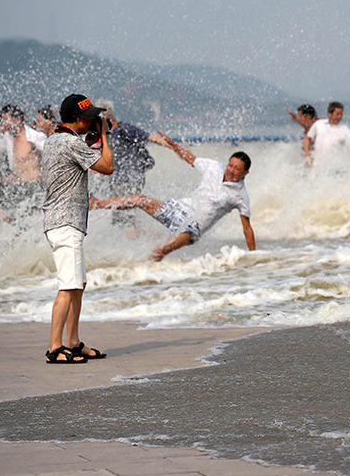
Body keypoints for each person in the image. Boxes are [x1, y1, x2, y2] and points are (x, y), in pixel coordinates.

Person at [89, 132, 256, 262]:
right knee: (140, 199)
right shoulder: (213, 167)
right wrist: (175, 146)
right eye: (231, 165)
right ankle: (97, 204)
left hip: (192, 228)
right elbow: (190, 158)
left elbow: (247, 228)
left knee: (160, 250)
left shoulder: (240, 196)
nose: (231, 170)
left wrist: (254, 256)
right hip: (179, 210)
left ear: (245, 173)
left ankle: (140, 276)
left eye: (237, 169)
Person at [41, 93, 113, 364]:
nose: (92, 120)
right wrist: (104, 137)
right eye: (89, 117)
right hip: (65, 223)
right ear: (79, 119)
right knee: (68, 286)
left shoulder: (56, 139)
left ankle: (72, 342)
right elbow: (107, 166)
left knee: (78, 284)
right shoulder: (70, 143)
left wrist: (91, 139)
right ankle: (54, 347)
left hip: (62, 222)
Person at [92, 100, 168, 230]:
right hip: (117, 182)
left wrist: (175, 148)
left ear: (107, 117)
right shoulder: (105, 135)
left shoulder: (125, 128)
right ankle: (143, 239)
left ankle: (129, 245)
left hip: (130, 180)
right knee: (124, 216)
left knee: (124, 217)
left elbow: (151, 137)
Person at [303, 101, 350, 170]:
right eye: (337, 114)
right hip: (317, 166)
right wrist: (308, 156)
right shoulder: (318, 124)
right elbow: (307, 138)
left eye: (341, 114)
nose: (340, 117)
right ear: (330, 113)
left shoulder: (344, 128)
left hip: (335, 168)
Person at [0, 104, 46, 184]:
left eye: (6, 120)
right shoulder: (7, 138)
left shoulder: (34, 137)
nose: (4, 124)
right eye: (2, 121)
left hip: (34, 187)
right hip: (17, 187)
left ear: (18, 119)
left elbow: (53, 155)